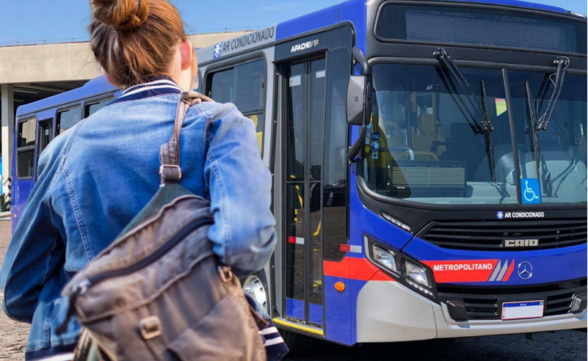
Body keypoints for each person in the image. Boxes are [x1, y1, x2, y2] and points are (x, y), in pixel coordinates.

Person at [0, 0, 277, 360]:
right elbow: (245, 244)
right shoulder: (221, 125)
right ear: (185, 54)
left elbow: (18, 291)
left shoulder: (63, 148)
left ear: (109, 72)